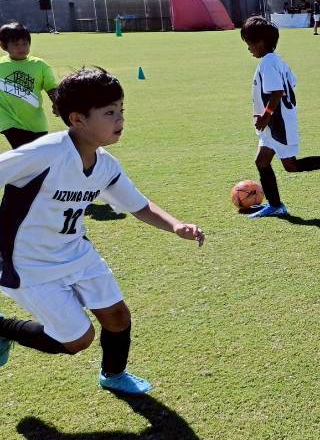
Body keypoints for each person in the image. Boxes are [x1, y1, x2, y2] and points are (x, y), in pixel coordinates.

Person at [0, 67, 205, 394]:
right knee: (78, 340)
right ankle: (3, 328)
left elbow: (138, 205)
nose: (120, 119)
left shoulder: (105, 164)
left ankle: (113, 375)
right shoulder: (46, 153)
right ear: (77, 119)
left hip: (76, 252)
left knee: (118, 317)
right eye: (109, 113)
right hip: (29, 263)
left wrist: (176, 225)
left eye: (121, 110)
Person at [239, 16, 320, 220]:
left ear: (261, 42)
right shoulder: (277, 60)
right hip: (274, 123)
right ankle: (276, 206)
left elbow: (277, 92)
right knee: (261, 161)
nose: (249, 48)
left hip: (279, 124)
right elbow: (291, 82)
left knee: (291, 166)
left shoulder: (268, 62)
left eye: (249, 43)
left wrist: (266, 115)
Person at [0, 23, 59, 149]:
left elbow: (51, 87)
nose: (21, 48)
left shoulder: (40, 65)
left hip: (36, 123)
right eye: (16, 44)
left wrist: (57, 103)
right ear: (4, 46)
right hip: (9, 121)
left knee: (38, 155)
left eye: (25, 43)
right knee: (24, 150)